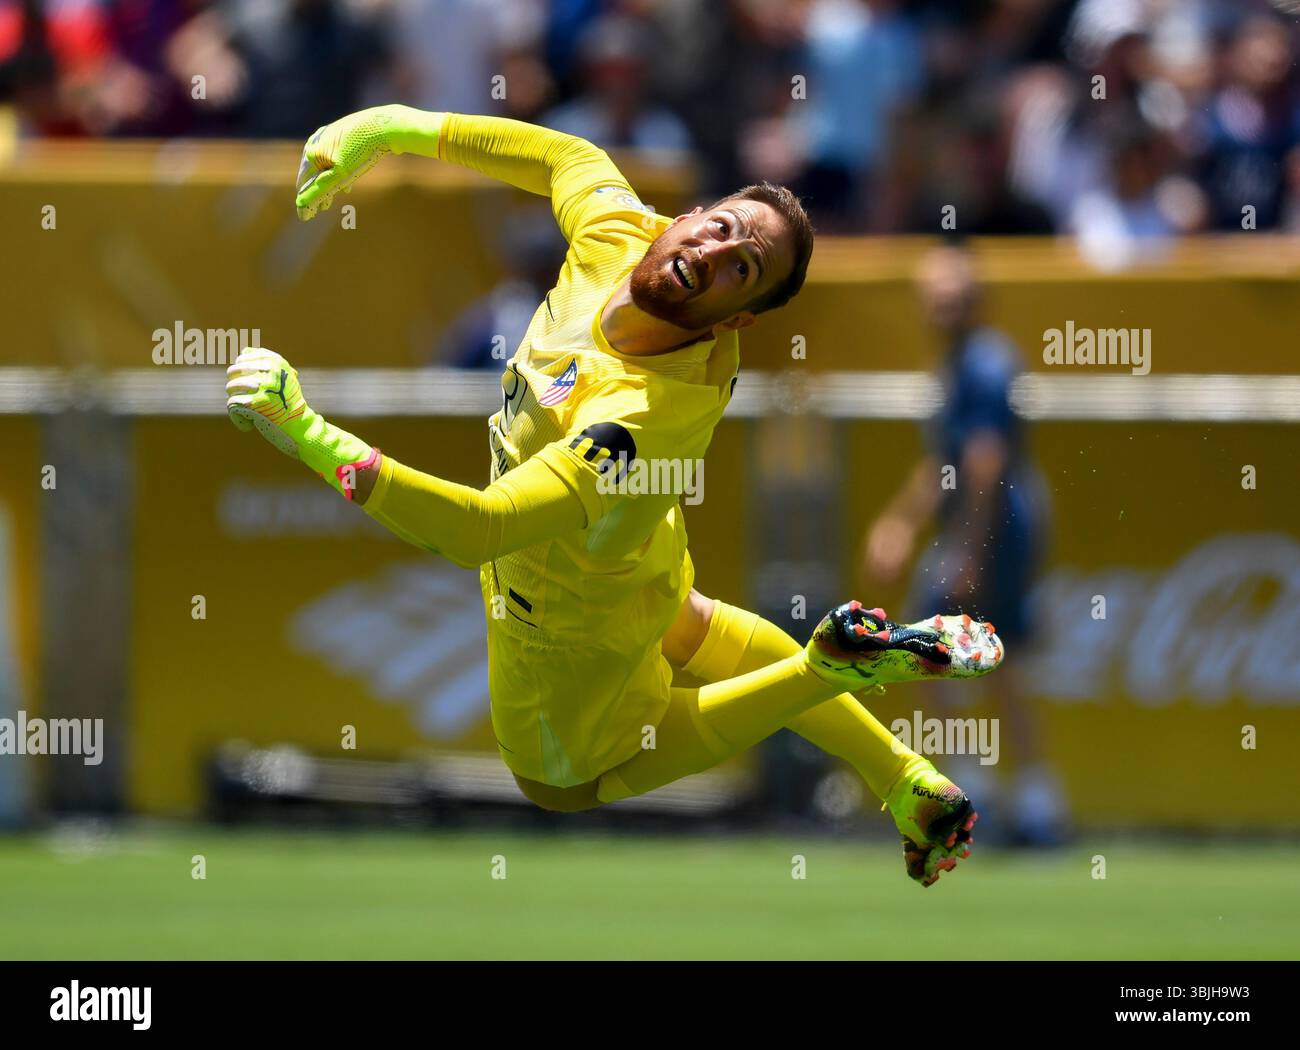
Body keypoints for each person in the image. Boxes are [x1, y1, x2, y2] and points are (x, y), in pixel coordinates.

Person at [225, 106, 1004, 886]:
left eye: (745, 265)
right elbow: (564, 153)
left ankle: (825, 669)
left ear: (733, 317)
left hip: (570, 630)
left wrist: (308, 433)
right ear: (689, 214)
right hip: (638, 559)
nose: (719, 248)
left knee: (568, 786)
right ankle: (903, 774)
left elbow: (478, 530)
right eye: (725, 226)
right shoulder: (621, 231)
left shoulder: (633, 424)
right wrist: (390, 127)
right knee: (693, 624)